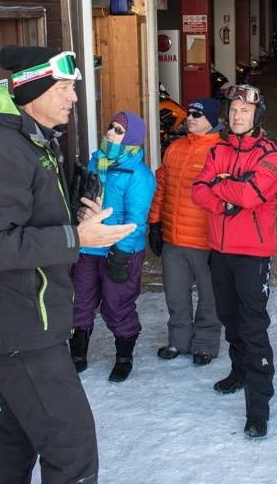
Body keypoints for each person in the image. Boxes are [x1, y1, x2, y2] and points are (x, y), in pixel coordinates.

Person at [0, 45, 135, 484]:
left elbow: (28, 220)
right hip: (19, 326)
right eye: (63, 87)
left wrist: (76, 218)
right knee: (71, 447)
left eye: (72, 87)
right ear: (30, 91)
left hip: (34, 318)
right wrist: (77, 237)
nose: (73, 97)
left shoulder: (33, 143)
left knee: (18, 435)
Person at [192, 84, 277, 439]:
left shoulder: (271, 154)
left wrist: (223, 185)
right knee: (229, 318)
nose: (237, 115)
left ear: (257, 115)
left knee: (253, 326)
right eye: (233, 110)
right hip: (220, 248)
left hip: (253, 254)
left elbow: (251, 194)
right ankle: (239, 370)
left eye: (244, 110)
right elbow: (198, 190)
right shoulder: (218, 148)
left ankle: (258, 404)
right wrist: (224, 196)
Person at [70, 111, 156, 383]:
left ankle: (123, 357)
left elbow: (136, 221)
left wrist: (122, 253)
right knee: (80, 301)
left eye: (119, 130)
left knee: (117, 305)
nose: (111, 133)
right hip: (88, 247)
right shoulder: (97, 161)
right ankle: (77, 356)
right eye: (111, 127)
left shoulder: (139, 175)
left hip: (120, 250)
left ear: (131, 138)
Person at [148, 98, 224, 366]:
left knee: (209, 296)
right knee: (175, 294)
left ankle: (205, 343)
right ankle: (178, 340)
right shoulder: (175, 147)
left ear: (212, 121)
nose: (189, 118)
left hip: (206, 240)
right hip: (173, 239)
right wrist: (155, 222)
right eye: (189, 114)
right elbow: (162, 188)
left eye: (196, 115)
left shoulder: (221, 151)